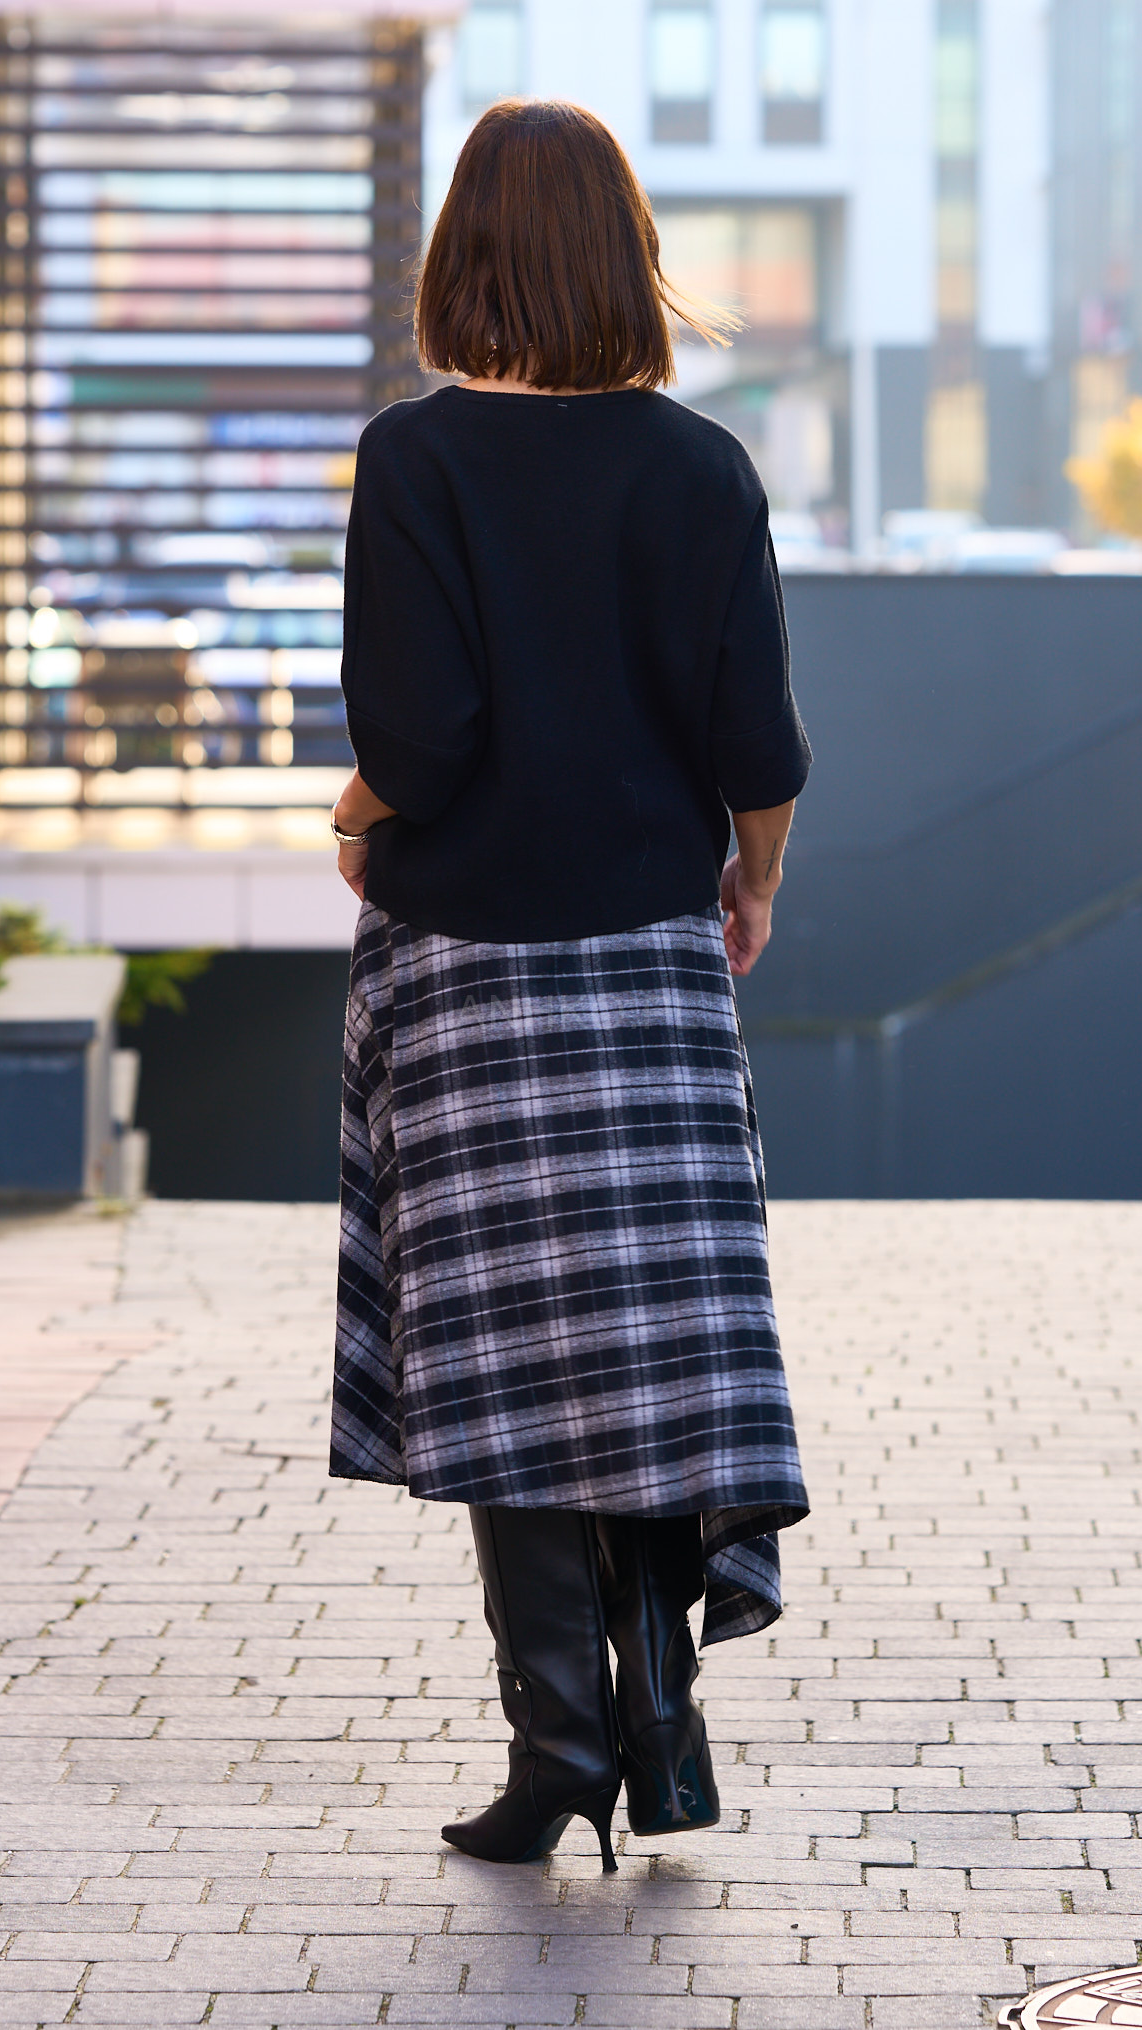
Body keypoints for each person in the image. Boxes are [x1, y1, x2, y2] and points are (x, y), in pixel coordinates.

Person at [326, 98, 811, 1875]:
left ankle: (558, 1747)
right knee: (655, 1350)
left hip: (468, 973)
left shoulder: (415, 458)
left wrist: (353, 813)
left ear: (462, 253)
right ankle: (658, 1718)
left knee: (508, 1360)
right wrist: (751, 883)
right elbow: (758, 746)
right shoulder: (702, 468)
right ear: (626, 255)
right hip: (648, 964)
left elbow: (419, 740)